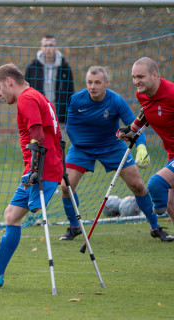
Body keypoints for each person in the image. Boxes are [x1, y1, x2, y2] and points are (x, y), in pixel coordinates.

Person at [0, 63, 63, 287]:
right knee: (11, 215)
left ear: (9, 81)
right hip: (46, 167)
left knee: (13, 215)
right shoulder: (35, 96)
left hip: (42, 170)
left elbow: (38, 138)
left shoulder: (27, 99)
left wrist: (34, 171)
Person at [60, 66, 173, 242]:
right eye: (89, 82)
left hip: (113, 146)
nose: (93, 86)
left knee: (137, 185)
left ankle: (155, 227)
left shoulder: (116, 100)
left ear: (106, 83)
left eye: (97, 82)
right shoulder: (75, 100)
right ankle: (74, 226)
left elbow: (137, 124)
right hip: (82, 148)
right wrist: (84, 145)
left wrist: (141, 147)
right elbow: (71, 128)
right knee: (66, 186)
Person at [118, 57, 174, 228]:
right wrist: (132, 130)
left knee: (157, 184)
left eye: (141, 77)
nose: (136, 81)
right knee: (171, 206)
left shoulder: (172, 94)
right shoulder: (142, 94)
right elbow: (146, 111)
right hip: (171, 153)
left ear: (155, 75)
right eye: (134, 77)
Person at [25, 35, 75, 124]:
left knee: (58, 138)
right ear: (41, 48)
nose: (48, 48)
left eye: (51, 45)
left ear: (56, 48)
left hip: (59, 116)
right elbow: (26, 91)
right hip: (38, 115)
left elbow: (70, 92)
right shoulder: (32, 67)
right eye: (45, 45)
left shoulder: (65, 68)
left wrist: (68, 116)